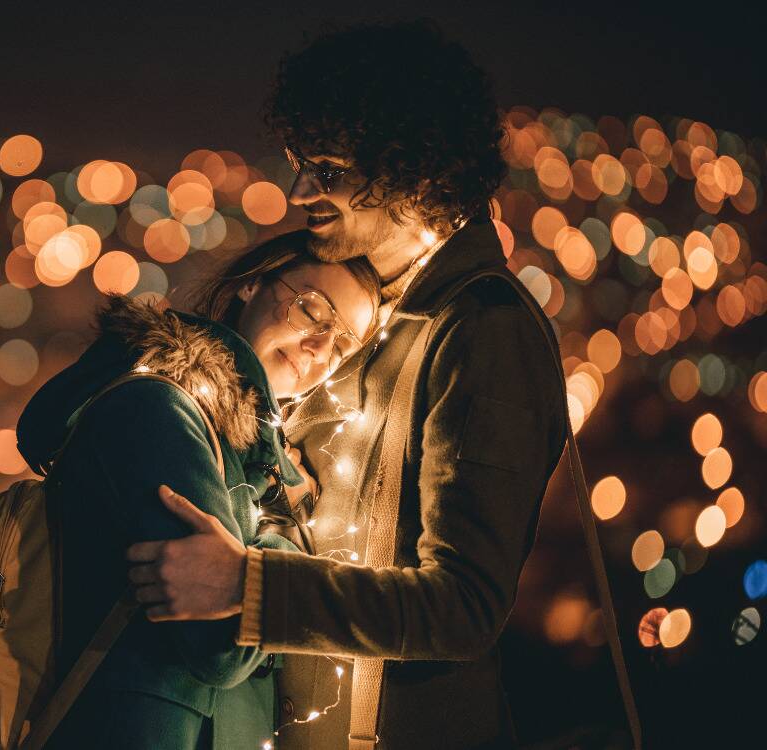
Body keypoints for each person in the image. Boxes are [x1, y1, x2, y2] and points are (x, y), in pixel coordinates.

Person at [126, 20, 569, 750]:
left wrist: (251, 589)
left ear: (414, 172)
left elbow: (464, 606)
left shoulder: (482, 330)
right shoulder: (380, 313)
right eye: (300, 164)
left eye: (327, 170)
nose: (299, 192)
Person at [15, 235, 380, 749]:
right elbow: (222, 644)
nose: (319, 349)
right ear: (253, 284)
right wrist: (283, 525)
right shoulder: (160, 410)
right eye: (312, 309)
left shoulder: (245, 448)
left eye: (342, 344)